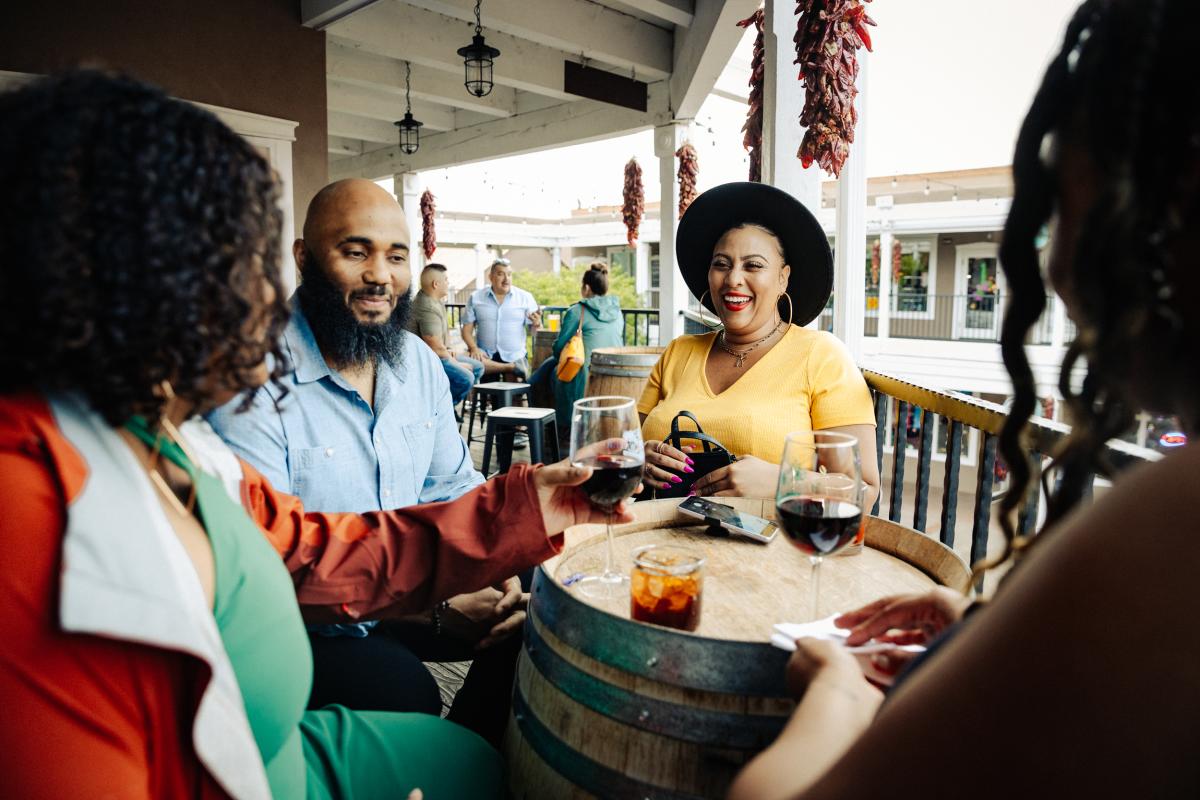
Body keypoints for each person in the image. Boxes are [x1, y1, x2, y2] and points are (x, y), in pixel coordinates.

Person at [0, 69, 631, 799]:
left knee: (490, 755)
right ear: (125, 279)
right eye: (239, 262)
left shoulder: (168, 445)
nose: (268, 299)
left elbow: (317, 551)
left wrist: (531, 507)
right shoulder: (29, 512)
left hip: (279, 747)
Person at [728, 1, 1200, 796]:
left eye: (1063, 211)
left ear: (1165, 215)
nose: (1048, 273)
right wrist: (984, 639)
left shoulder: (1175, 526)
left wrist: (841, 692)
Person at [207, 179, 527, 744]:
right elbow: (269, 568)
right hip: (303, 625)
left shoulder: (416, 364)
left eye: (396, 256)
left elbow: (450, 486)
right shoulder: (253, 376)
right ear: (304, 258)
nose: (381, 274)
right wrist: (427, 606)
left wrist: (489, 564)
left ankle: (465, 758)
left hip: (417, 586)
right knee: (402, 693)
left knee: (538, 609)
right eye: (355, 252)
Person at [637, 182, 880, 506]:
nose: (733, 278)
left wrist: (784, 482)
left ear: (783, 278)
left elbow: (864, 491)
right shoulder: (678, 352)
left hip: (768, 550)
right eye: (721, 264)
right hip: (662, 549)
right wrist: (639, 460)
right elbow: (622, 453)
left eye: (753, 265)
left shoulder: (821, 356)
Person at [551, 262, 624, 440]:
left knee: (547, 372)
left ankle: (550, 429)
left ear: (586, 287)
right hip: (614, 375)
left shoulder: (577, 311)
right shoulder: (617, 311)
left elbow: (560, 348)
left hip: (585, 376)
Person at [410, 262, 484, 407]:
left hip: (439, 356)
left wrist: (450, 351)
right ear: (436, 284)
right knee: (466, 378)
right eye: (446, 280)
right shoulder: (426, 307)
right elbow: (434, 346)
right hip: (426, 360)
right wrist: (456, 363)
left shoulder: (436, 301)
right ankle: (441, 411)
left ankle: (443, 405)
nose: (448, 283)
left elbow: (441, 342)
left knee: (478, 366)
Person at [463, 258, 541, 380]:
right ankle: (506, 372)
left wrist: (536, 324)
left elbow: (535, 331)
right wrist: (474, 348)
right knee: (480, 372)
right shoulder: (476, 297)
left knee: (514, 392)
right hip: (485, 355)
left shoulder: (525, 297)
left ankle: (513, 390)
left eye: (509, 275)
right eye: (501, 274)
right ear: (491, 277)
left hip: (515, 355)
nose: (506, 279)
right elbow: (466, 330)